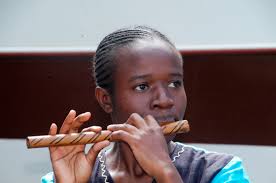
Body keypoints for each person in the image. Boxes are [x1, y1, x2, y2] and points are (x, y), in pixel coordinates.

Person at [42, 26, 250, 183]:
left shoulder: (221, 172)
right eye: (142, 86)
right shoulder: (63, 177)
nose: (165, 100)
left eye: (174, 83)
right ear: (106, 99)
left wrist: (166, 172)